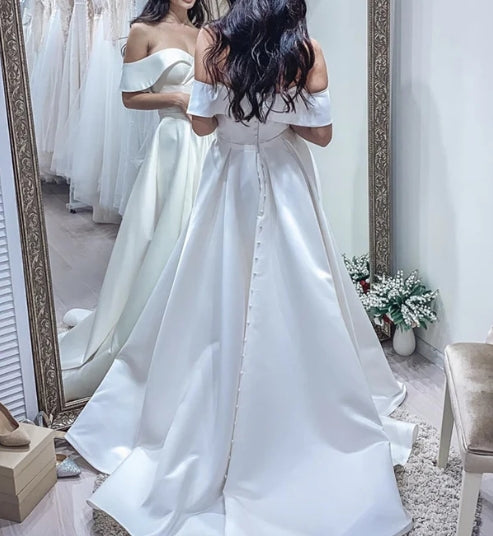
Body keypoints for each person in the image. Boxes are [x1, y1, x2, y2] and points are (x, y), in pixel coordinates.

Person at [67, 1, 417, 534]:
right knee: (300, 293)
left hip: (228, 181)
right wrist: (278, 117)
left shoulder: (212, 42)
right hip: (285, 181)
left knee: (213, 292)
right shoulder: (305, 51)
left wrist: (238, 116)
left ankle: (202, 413)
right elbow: (321, 135)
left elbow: (201, 126)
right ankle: (305, 412)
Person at [59, 0, 214, 401]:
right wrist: (176, 100)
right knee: (165, 233)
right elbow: (131, 96)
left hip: (210, 143)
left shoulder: (204, 32)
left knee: (204, 234)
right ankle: (147, 325)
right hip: (174, 143)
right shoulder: (143, 31)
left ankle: (199, 326)